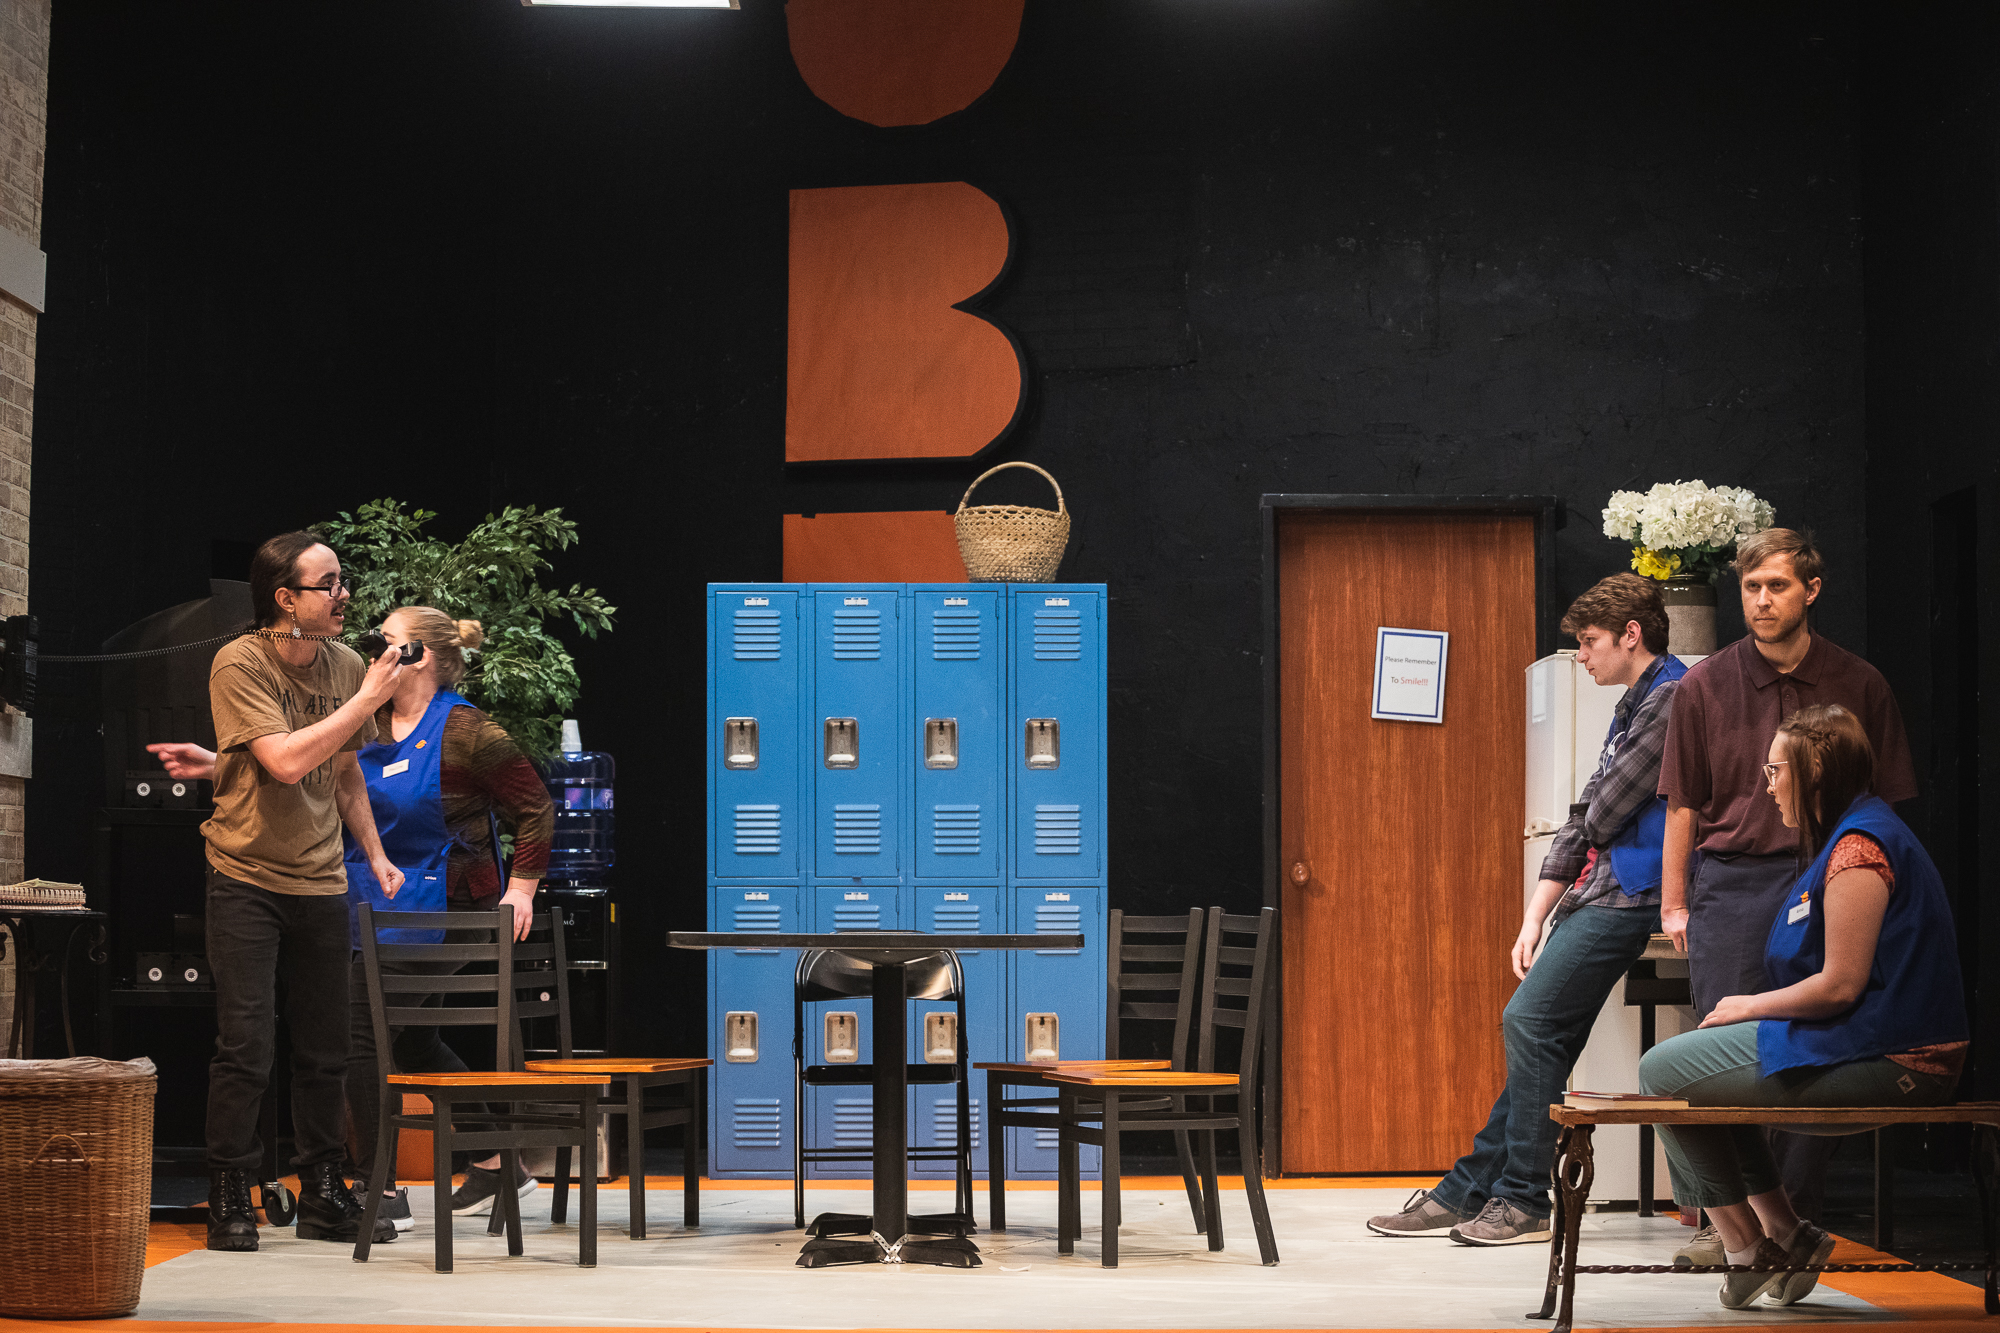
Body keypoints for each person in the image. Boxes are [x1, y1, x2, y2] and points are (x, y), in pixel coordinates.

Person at [155, 606, 557, 1229]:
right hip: (373, 902)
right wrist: (218, 764)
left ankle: (378, 1186)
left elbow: (536, 807)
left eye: (385, 643)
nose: (372, 653)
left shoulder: (468, 731)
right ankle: (497, 1156)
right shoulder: (366, 717)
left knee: (359, 1031)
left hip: (446, 914)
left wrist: (523, 888)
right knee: (415, 1041)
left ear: (418, 656)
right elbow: (318, 772)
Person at [1367, 574, 1685, 1245]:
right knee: (1546, 1037)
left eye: (1590, 641)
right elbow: (1585, 812)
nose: (1582, 656)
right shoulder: (1633, 701)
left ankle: (1524, 1200)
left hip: (1631, 892)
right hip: (1599, 888)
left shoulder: (1671, 697)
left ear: (1632, 635)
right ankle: (1471, 1188)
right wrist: (1534, 914)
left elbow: (1599, 811)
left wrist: (1542, 908)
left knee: (1529, 1019)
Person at [1638, 704, 1966, 1310]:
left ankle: (1749, 1247)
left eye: (1774, 771)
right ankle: (1786, 1234)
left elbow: (1841, 984)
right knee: (1693, 1079)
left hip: (1898, 1058)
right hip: (1869, 1040)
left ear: (1814, 773)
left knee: (1661, 1072)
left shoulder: (1862, 848)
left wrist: (1750, 1006)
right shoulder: (1845, 837)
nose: (1768, 786)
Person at [1656, 528, 1917, 1252]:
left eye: (1776, 586)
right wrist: (1674, 901)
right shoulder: (1703, 685)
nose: (1762, 601)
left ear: (1811, 590)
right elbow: (1681, 802)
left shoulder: (1860, 683)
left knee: (1815, 1045)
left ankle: (1793, 1217)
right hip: (1734, 884)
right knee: (1723, 1055)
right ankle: (1732, 1220)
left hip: (1833, 872)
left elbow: (1886, 800)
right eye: (1751, 588)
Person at [153, 532, 403, 1253]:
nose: (343, 594)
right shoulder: (240, 662)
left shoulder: (348, 664)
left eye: (342, 581)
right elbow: (288, 761)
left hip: (322, 877)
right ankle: (230, 1187)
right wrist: (366, 702)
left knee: (326, 1048)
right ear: (284, 598)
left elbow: (344, 771)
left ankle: (323, 1185)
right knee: (248, 1043)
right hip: (246, 877)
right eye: (328, 583)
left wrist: (376, 853)